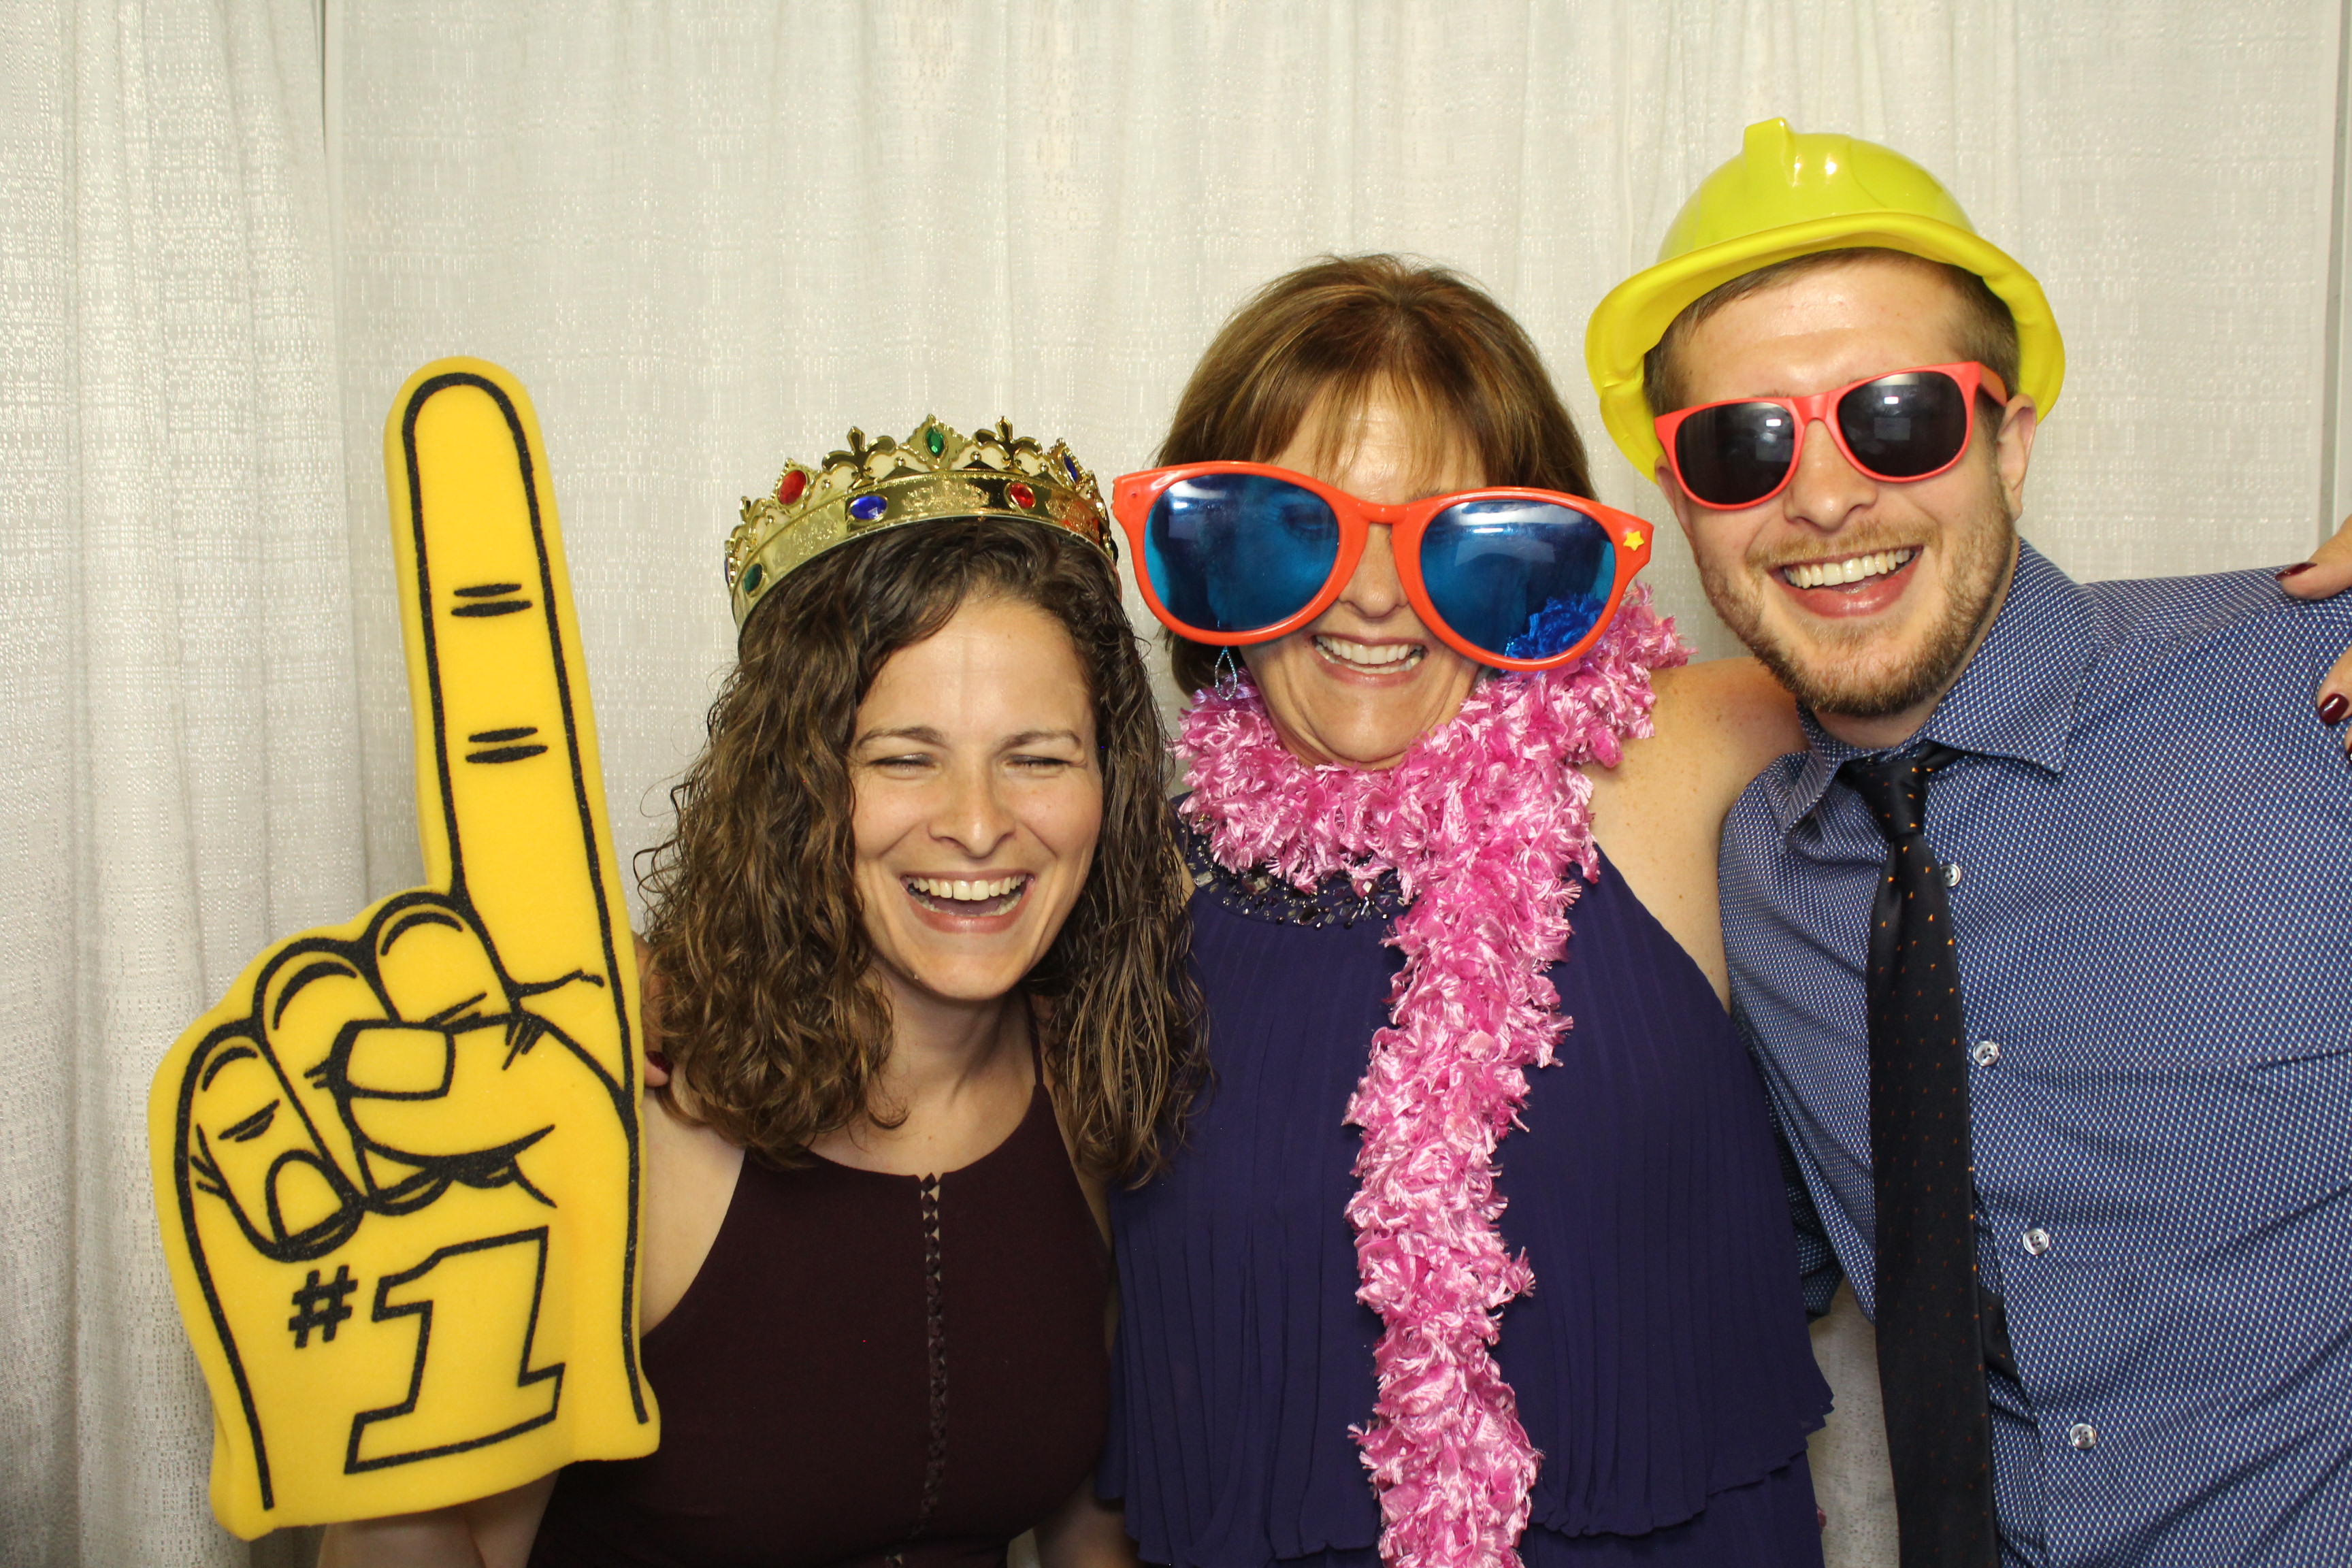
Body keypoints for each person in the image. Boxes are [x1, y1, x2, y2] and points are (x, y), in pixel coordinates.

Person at [1586, 118, 2352, 1566]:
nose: (1822, 498)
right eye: (1742, 446)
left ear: (2009, 438)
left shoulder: (2306, 696)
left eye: (1896, 416)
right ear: (1682, 499)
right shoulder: (1752, 865)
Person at [321, 418, 1199, 1568]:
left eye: (1038, 756)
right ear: (798, 787)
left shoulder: (1097, 1088)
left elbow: (1092, 1535)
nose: (979, 824)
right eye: (901, 756)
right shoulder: (620, 1117)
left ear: (1109, 788)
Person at [1100, 255, 1834, 1567]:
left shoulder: (1663, 762)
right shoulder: (1123, 882)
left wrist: (2300, 630)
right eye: (1293, 531)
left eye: (1461, 541)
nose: (1375, 597)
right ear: (1210, 555)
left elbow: (1950, 658)